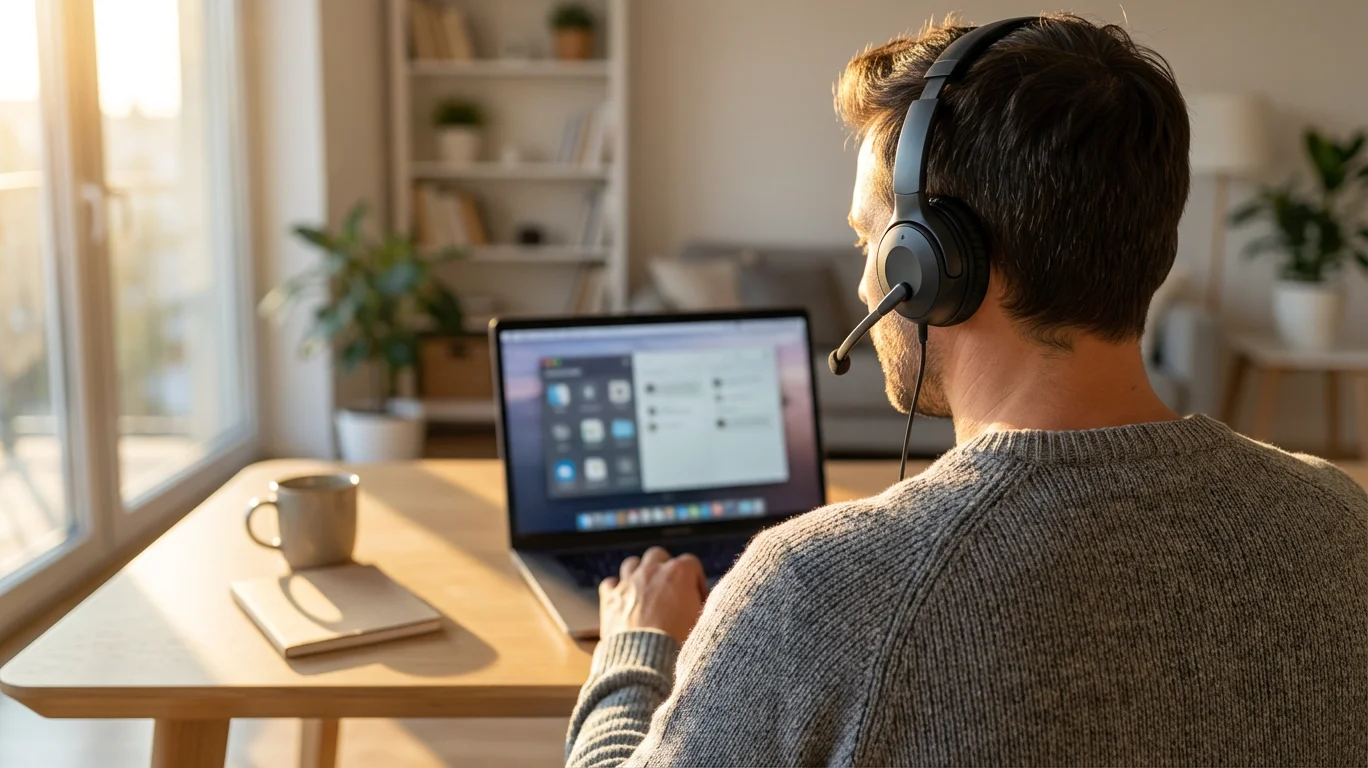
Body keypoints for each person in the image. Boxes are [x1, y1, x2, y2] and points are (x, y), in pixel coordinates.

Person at [564, 13, 1368, 767]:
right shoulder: (1343, 525)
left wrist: (632, 654)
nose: (862, 282)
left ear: (931, 265)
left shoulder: (816, 593)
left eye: (866, 239)